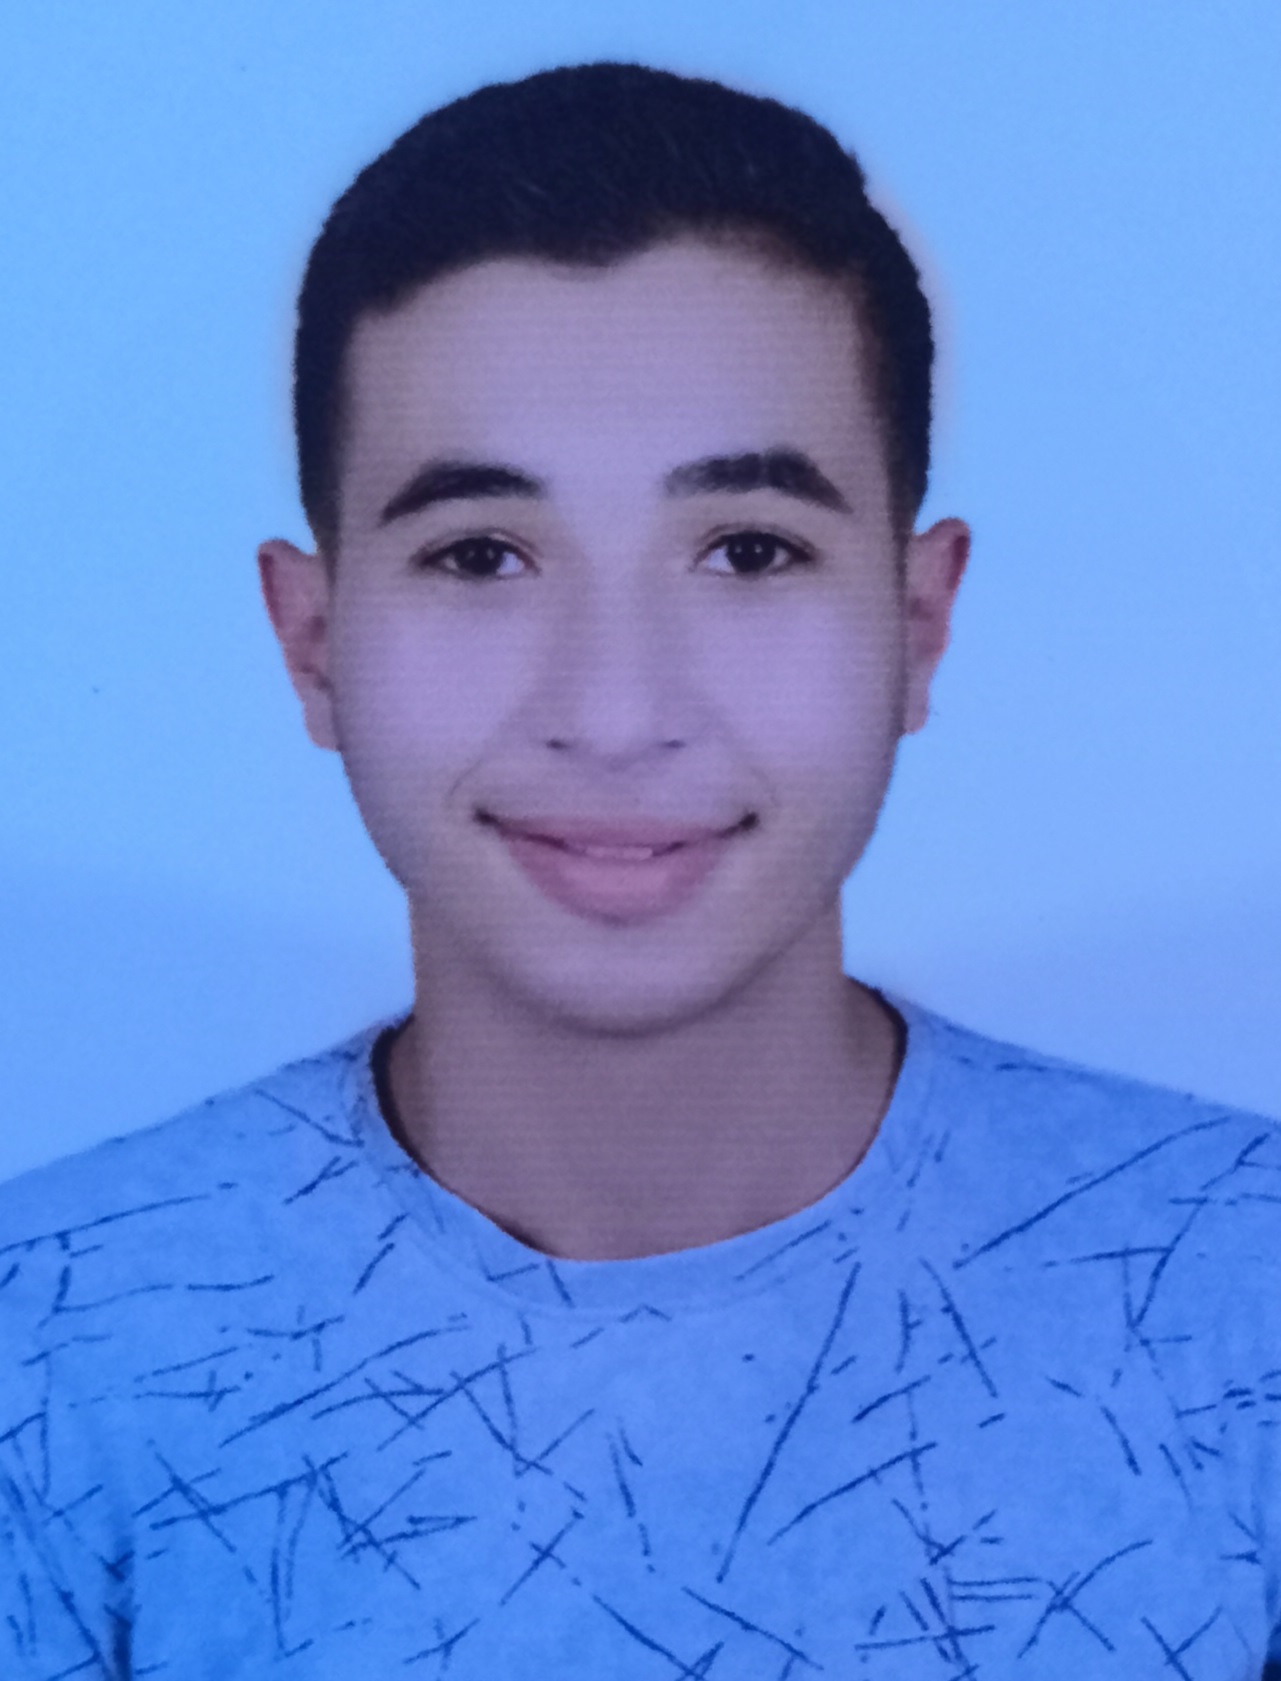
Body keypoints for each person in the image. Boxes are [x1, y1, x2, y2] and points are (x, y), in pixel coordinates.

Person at [1, 60, 1277, 1680]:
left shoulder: (1243, 1294)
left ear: (915, 623)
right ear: (313, 643)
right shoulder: (49, 1341)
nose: (613, 711)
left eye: (747, 549)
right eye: (481, 554)